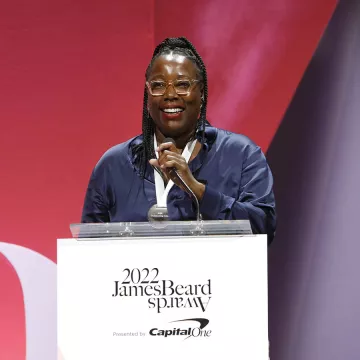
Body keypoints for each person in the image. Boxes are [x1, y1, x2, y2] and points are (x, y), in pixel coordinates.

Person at [81, 37, 276, 243]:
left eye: (183, 84)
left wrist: (196, 189)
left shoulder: (242, 155)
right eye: (158, 85)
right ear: (148, 97)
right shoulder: (114, 165)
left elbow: (264, 228)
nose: (170, 94)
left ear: (201, 93)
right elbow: (87, 248)